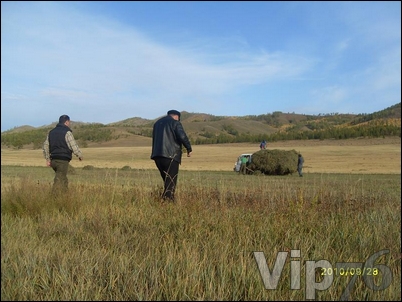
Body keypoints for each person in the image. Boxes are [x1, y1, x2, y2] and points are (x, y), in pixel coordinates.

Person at [151, 110, 192, 202]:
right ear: (177, 117)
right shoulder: (175, 123)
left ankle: (167, 200)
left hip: (157, 156)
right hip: (171, 155)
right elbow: (182, 136)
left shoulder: (157, 124)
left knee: (166, 181)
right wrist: (189, 148)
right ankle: (167, 203)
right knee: (171, 182)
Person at [43, 115, 83, 193]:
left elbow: (45, 146)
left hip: (53, 160)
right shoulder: (67, 132)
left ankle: (65, 197)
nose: (69, 124)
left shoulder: (51, 132)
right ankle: (53, 198)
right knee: (58, 180)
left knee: (63, 179)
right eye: (69, 122)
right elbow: (73, 145)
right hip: (62, 160)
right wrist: (79, 155)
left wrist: (48, 159)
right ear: (66, 122)